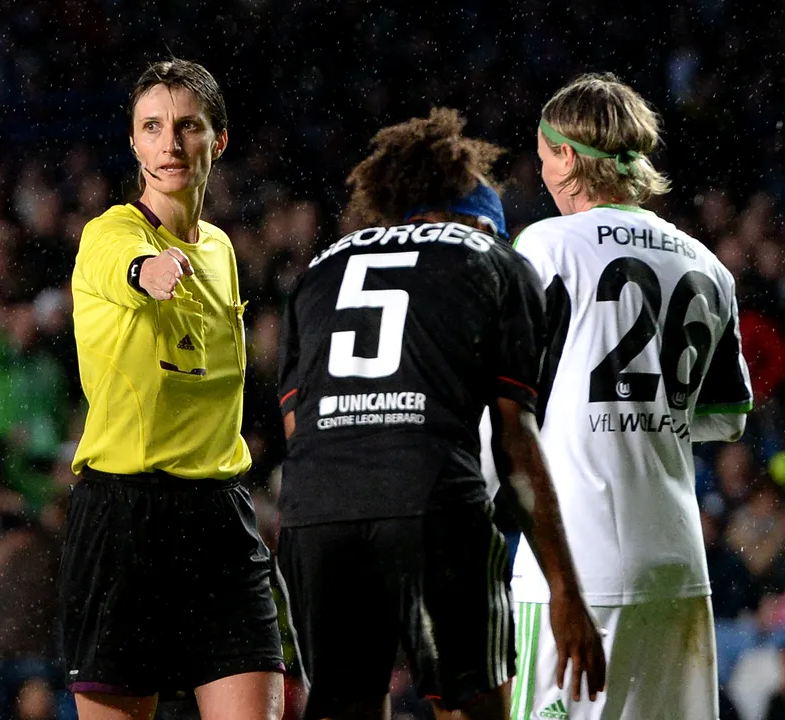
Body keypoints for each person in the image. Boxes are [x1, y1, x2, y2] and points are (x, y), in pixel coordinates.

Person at [275, 108, 605, 720]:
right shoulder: (492, 259)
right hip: (431, 503)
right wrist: (564, 587)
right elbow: (514, 439)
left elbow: (299, 428)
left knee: (344, 704)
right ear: (479, 219)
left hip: (317, 513)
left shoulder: (319, 270)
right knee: (468, 702)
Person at [507, 73, 754, 720]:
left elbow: (502, 404)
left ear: (566, 155)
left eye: (541, 158)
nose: (541, 175)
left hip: (573, 574)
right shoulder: (706, 263)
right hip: (675, 566)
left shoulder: (544, 247)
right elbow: (724, 420)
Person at [61, 58, 284, 720]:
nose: (169, 145)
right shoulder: (109, 234)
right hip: (126, 519)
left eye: (187, 126)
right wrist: (146, 270)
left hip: (220, 519)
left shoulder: (220, 250)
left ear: (219, 139)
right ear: (133, 143)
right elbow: (120, 263)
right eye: (151, 127)